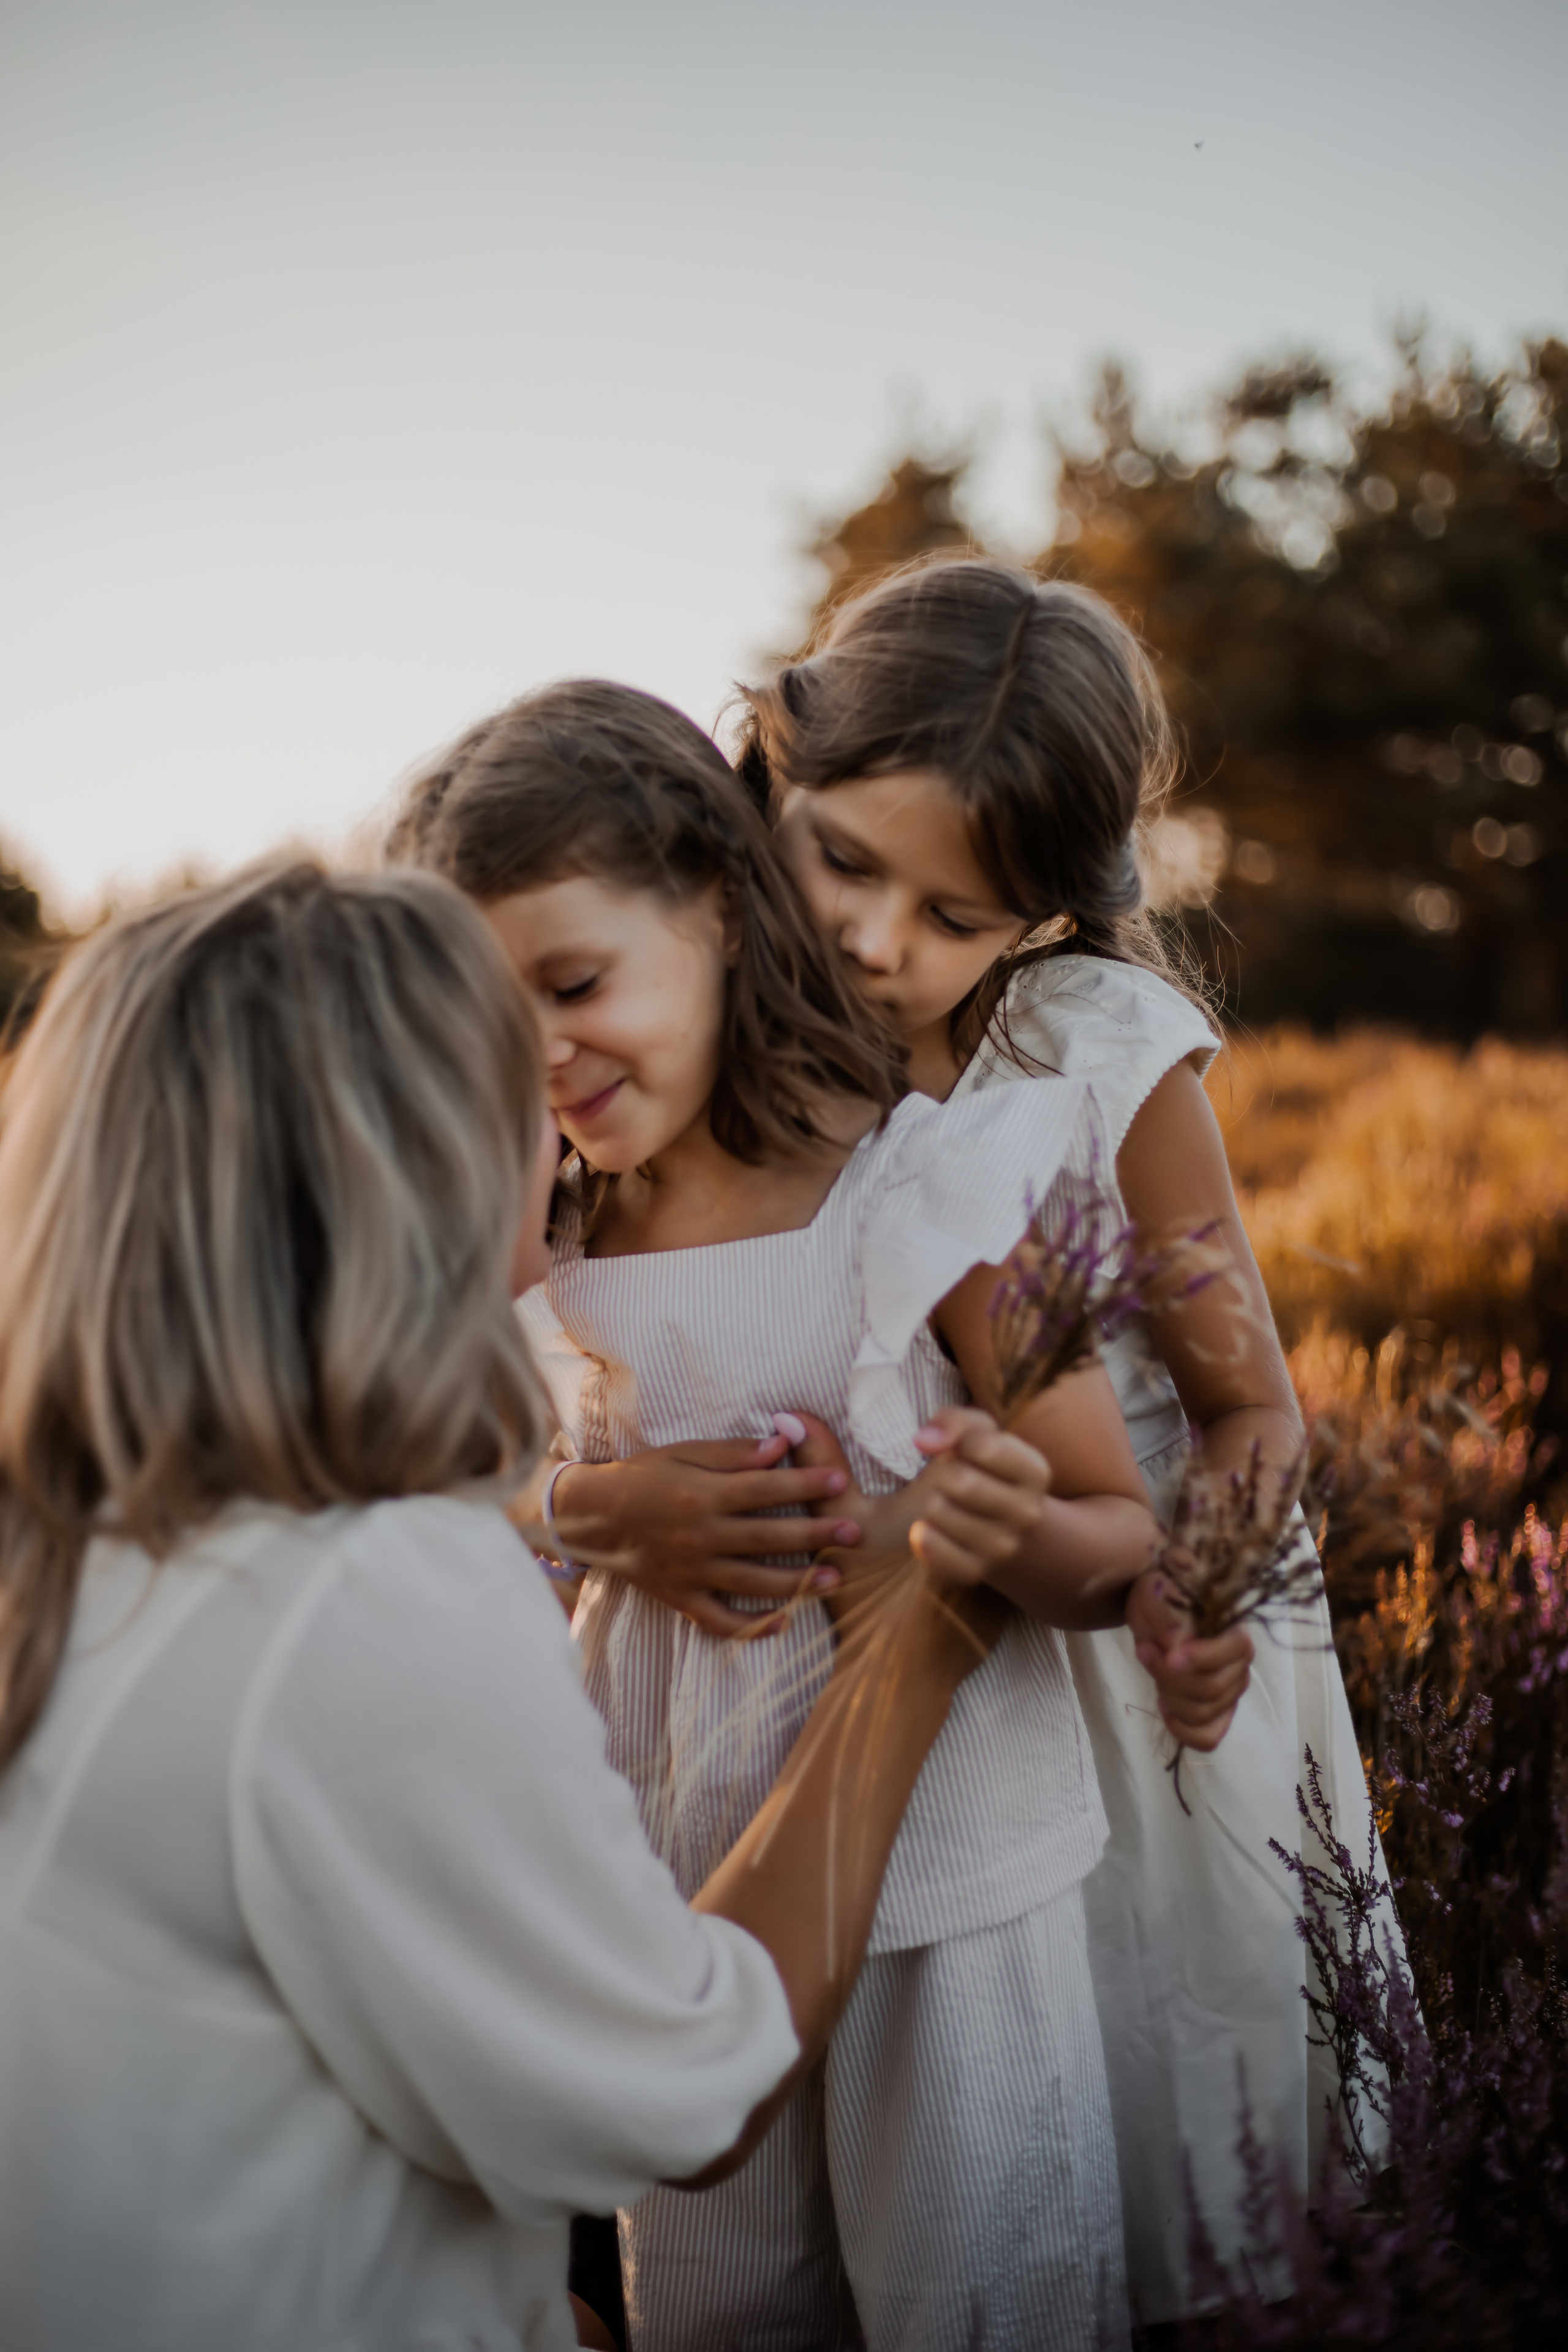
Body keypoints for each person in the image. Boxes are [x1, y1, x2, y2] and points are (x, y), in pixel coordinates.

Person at [0, 860, 998, 2352]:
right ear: (408, 1160)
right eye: (506, 1071)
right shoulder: (354, 1587)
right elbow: (681, 2085)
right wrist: (914, 1653)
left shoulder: (72, 1541)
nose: (554, 1119)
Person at [396, 682, 1253, 2352]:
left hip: (956, 1908)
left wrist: (980, 1535)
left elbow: (1120, 1536)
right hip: (678, 1908)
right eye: (485, 1022)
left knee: (983, 2301)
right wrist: (596, 1504)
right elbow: (458, 1476)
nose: (542, 1057)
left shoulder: (934, 1183)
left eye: (575, 986)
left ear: (720, 908)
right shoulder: (543, 1232)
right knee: (717, 2318)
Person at [725, 556, 1404, 2319]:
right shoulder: (729, 1018)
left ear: (1038, 916)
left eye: (954, 916)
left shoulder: (1094, 1046)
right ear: (777, 763)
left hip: (1129, 1661)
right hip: (875, 1672)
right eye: (849, 860)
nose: (881, 942)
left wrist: (1203, 1591)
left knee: (1155, 2110)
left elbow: (1251, 1403)